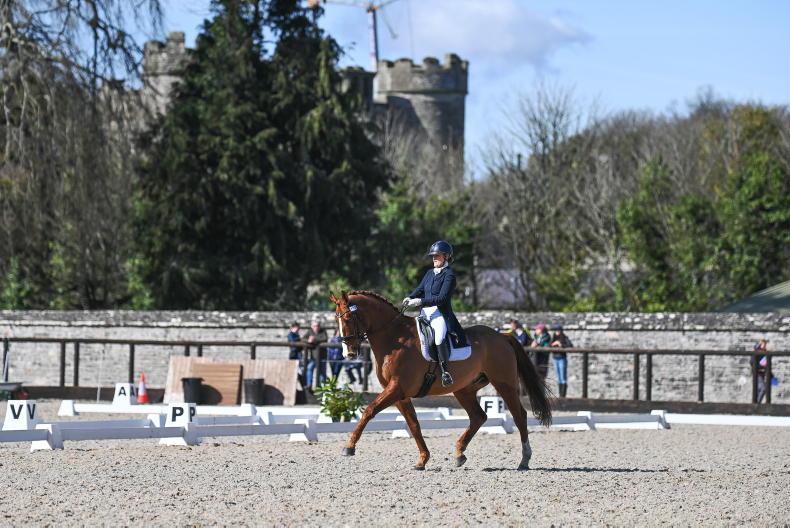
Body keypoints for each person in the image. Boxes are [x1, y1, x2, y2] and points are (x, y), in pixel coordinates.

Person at [402, 240, 466, 387]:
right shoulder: (429, 273)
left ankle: (445, 372)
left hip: (440, 313)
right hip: (425, 312)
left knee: (438, 338)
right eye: (433, 256)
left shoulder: (449, 275)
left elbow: (442, 299)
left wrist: (419, 302)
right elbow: (420, 289)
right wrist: (410, 297)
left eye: (437, 256)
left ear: (446, 256)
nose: (434, 258)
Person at [303, 319, 328, 390]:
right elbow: (303, 339)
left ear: (319, 326)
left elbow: (325, 339)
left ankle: (322, 388)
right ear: (311, 326)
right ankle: (309, 384)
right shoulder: (309, 331)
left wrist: (314, 340)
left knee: (322, 372)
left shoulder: (323, 331)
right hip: (313, 357)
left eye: (317, 326)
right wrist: (308, 340)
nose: (316, 327)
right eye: (314, 326)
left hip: (322, 356)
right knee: (309, 368)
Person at [550, 324, 572, 398]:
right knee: (558, 378)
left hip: (562, 358)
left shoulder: (564, 337)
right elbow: (549, 345)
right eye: (556, 330)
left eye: (558, 330)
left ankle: (563, 395)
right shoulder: (553, 337)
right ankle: (560, 395)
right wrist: (553, 344)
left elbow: (570, 345)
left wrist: (561, 344)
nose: (557, 332)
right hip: (555, 358)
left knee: (563, 377)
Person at [752, 338, 770, 404]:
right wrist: (760, 367)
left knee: (759, 390)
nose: (765, 345)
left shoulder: (765, 353)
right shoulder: (757, 352)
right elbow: (752, 362)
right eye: (763, 344)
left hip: (762, 374)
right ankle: (757, 405)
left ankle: (755, 405)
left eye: (765, 344)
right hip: (757, 373)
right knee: (763, 389)